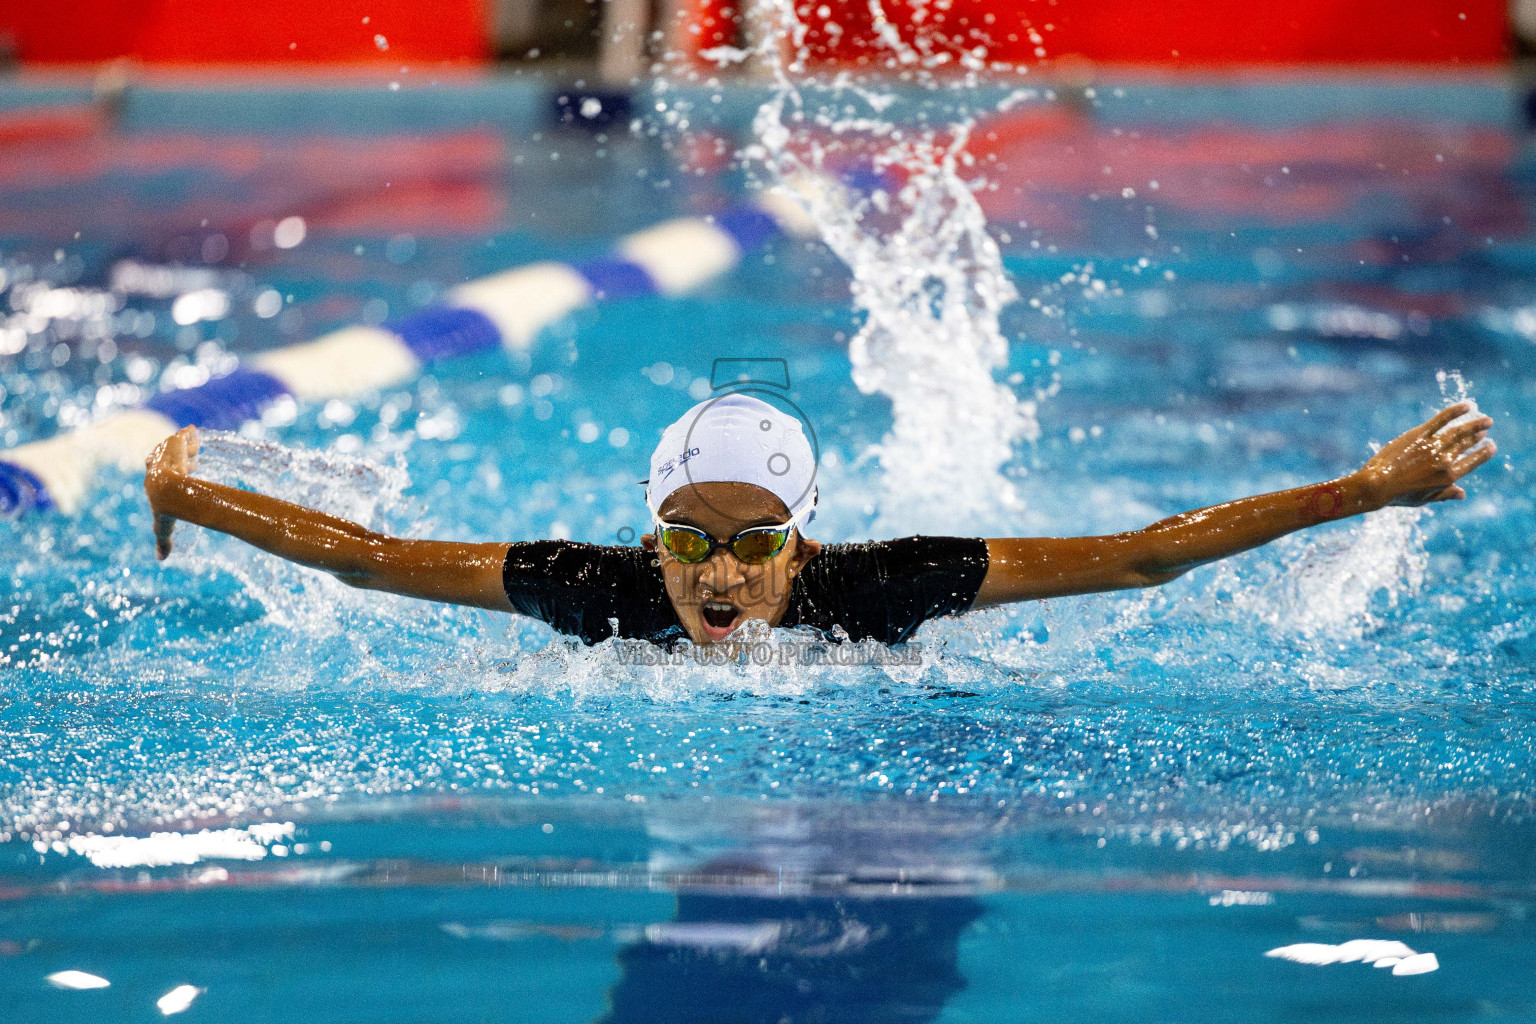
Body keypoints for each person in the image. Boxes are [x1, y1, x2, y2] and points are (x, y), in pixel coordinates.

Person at [143, 394, 1496, 648]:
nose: (717, 574)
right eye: (688, 538)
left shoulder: (883, 590)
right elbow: (373, 563)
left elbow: (1140, 556)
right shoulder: (595, 589)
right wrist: (186, 491)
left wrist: (1361, 493)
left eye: (753, 539)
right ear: (648, 534)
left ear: (803, 537)